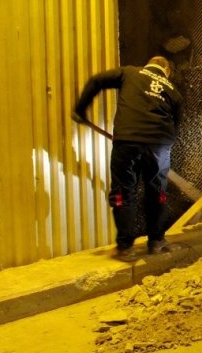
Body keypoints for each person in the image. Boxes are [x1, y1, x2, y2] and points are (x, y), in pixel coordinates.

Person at [72, 56, 182, 260]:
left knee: (124, 192)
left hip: (128, 141)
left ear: (149, 64)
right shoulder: (173, 91)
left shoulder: (129, 72)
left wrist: (80, 109)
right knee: (157, 192)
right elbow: (177, 125)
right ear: (166, 70)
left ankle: (126, 247)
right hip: (159, 146)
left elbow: (97, 81)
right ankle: (156, 241)